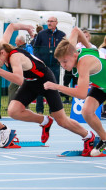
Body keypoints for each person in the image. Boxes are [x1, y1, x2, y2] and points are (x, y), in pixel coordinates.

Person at [0, 23, 94, 156]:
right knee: (13, 111)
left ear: (1, 53)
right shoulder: (1, 45)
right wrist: (27, 27)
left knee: (62, 120)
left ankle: (88, 136)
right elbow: (11, 26)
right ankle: (45, 121)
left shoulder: (14, 57)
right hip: (31, 83)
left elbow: (18, 80)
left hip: (46, 80)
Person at [44, 27, 106, 157]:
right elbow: (76, 30)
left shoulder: (84, 63)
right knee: (86, 112)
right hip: (101, 86)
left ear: (74, 55)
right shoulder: (71, 49)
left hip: (102, 83)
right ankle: (105, 139)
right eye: (60, 62)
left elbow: (81, 94)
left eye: (65, 61)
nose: (63, 65)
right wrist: (88, 45)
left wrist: (57, 86)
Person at [33, 17, 66, 114]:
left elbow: (65, 48)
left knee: (53, 88)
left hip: (55, 66)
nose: (49, 23)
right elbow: (36, 48)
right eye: (48, 21)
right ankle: (39, 110)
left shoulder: (62, 35)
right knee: (40, 86)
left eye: (51, 21)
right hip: (43, 66)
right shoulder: (41, 34)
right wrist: (39, 61)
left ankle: (53, 110)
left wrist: (60, 60)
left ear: (56, 23)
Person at [62, 29, 97, 104]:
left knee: (79, 84)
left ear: (89, 37)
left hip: (85, 70)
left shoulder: (92, 47)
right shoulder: (76, 46)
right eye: (83, 36)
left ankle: (75, 99)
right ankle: (67, 98)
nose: (85, 38)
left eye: (86, 36)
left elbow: (76, 30)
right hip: (74, 69)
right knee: (67, 81)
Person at [8, 35, 34, 105]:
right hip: (25, 72)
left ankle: (11, 105)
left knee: (12, 88)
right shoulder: (28, 48)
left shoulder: (21, 50)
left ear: (20, 41)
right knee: (22, 89)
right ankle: (23, 106)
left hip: (23, 73)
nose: (15, 42)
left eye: (16, 40)